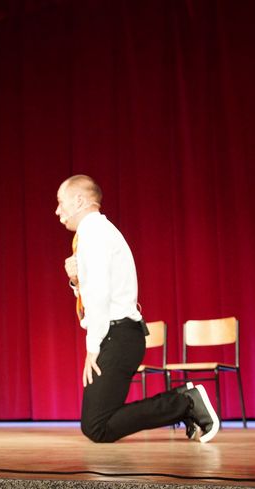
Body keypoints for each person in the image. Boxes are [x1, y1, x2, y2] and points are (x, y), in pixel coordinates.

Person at [55, 175, 220, 443]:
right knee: (96, 424)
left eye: (61, 203)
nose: (58, 211)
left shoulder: (94, 234)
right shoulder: (95, 232)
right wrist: (76, 281)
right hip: (119, 335)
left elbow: (100, 295)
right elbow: (97, 289)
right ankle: (182, 400)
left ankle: (186, 403)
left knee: (96, 427)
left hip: (117, 335)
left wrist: (92, 347)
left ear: (80, 200)